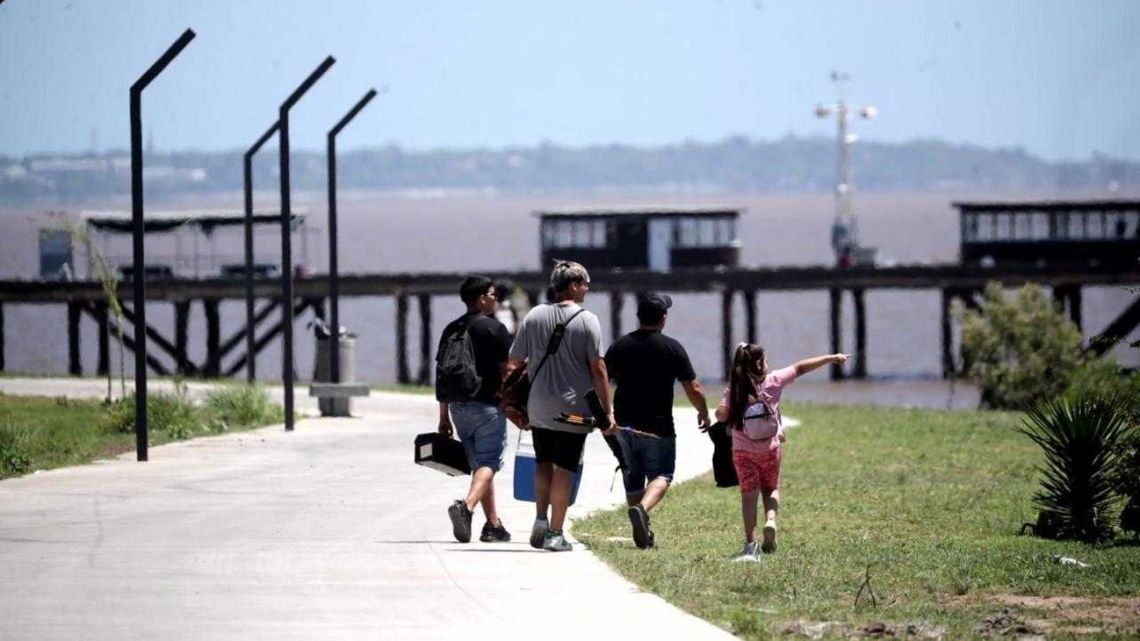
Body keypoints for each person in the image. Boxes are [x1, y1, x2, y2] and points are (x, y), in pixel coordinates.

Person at [504, 260, 616, 552]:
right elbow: (599, 369)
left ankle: (541, 518)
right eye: (585, 284)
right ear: (574, 285)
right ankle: (555, 533)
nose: (587, 288)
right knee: (565, 468)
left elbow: (514, 360)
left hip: (538, 405)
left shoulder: (534, 315)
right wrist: (607, 412)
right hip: (573, 410)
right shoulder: (587, 320)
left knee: (542, 462)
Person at [715, 344, 848, 562]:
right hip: (770, 448)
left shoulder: (735, 387)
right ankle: (770, 520)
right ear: (761, 363)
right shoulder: (774, 381)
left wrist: (727, 409)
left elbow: (721, 415)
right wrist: (831, 357)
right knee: (771, 488)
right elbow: (800, 368)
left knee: (749, 496)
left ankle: (750, 544)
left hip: (743, 450)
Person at [604, 292, 710, 549]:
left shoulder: (619, 346)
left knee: (632, 475)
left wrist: (604, 415)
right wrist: (704, 412)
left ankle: (643, 527)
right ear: (663, 318)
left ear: (639, 317)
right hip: (658, 427)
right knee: (662, 474)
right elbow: (693, 387)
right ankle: (642, 510)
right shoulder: (672, 348)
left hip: (623, 425)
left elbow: (600, 381)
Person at [437, 276, 514, 544]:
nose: (496, 299)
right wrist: (515, 406)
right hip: (487, 407)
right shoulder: (495, 329)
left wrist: (443, 416)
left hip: (458, 408)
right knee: (489, 463)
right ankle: (466, 507)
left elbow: (442, 374)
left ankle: (493, 525)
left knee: (480, 467)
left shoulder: (451, 329)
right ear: (481, 299)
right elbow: (507, 372)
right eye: (493, 295)